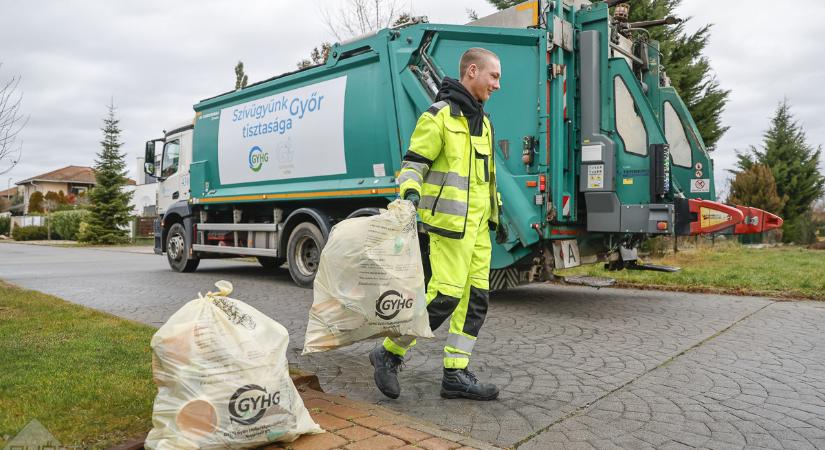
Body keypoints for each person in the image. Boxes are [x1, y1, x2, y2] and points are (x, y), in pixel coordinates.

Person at [370, 47, 506, 401]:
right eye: (494, 76)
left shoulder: (485, 122)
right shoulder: (439, 116)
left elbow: (485, 179)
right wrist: (411, 194)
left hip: (478, 230)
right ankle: (388, 352)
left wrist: (497, 213)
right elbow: (413, 164)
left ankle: (455, 374)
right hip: (448, 226)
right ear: (472, 71)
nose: (497, 85)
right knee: (445, 295)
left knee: (476, 300)